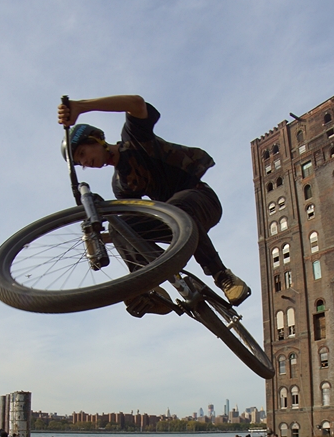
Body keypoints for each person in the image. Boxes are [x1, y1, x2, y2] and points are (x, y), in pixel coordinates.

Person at [58, 95, 251, 316]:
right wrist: (106, 237)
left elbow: (137, 104)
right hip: (175, 221)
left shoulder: (134, 138)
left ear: (96, 139)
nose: (85, 162)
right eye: (80, 163)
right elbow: (134, 228)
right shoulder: (121, 185)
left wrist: (81, 107)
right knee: (119, 225)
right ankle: (148, 289)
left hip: (202, 200)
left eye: (82, 153)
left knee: (176, 211)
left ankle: (222, 275)